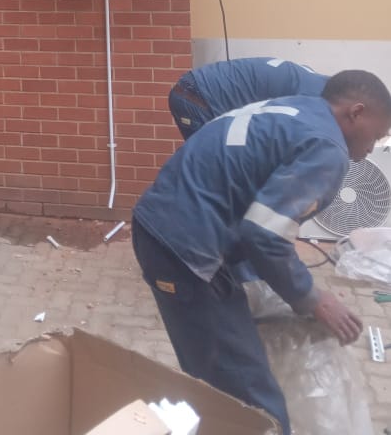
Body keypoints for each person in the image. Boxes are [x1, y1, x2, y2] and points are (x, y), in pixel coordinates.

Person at [132, 69, 391, 435]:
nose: (369, 151)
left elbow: (260, 220)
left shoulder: (300, 109)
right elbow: (265, 235)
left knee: (223, 377)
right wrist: (313, 299)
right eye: (376, 136)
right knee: (249, 398)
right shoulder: (327, 149)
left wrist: (289, 291)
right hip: (184, 247)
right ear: (356, 112)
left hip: (174, 226)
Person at [169, 56, 327, 140]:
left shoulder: (313, 81)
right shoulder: (309, 99)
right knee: (209, 170)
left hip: (199, 90)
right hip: (196, 96)